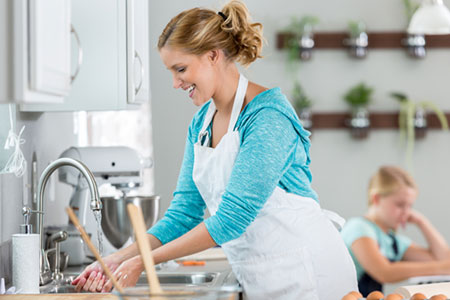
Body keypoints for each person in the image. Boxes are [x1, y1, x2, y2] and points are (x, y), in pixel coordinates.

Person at [72, 1, 357, 299]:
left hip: (310, 274)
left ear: (212, 56)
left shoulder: (268, 116)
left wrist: (142, 262)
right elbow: (183, 213)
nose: (174, 83)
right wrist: (117, 258)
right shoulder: (201, 125)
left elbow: (232, 218)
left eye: (180, 69)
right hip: (262, 277)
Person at [341, 165, 450, 297]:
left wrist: (422, 222)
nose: (406, 212)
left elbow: (442, 258)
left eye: (410, 206)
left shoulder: (393, 240)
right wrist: (440, 268)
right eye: (400, 205)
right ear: (376, 199)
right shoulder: (359, 228)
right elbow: (384, 271)